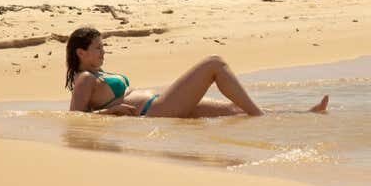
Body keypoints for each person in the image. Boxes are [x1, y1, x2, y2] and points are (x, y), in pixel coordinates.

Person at [66, 27, 329, 118]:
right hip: (155, 111)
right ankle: (264, 119)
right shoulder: (86, 79)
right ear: (81, 52)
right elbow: (75, 118)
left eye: (104, 47)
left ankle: (302, 115)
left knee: (235, 110)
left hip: (159, 106)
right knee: (214, 63)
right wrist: (110, 112)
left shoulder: (97, 74)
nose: (104, 52)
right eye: (98, 48)